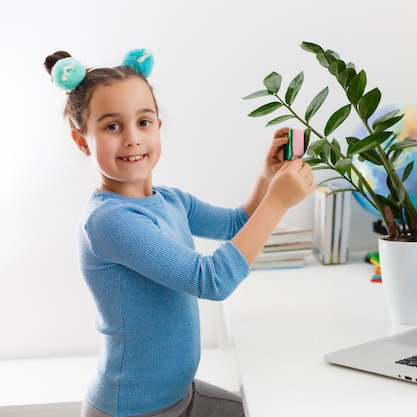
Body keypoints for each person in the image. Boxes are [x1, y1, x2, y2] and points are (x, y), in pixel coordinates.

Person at [43, 48, 315, 417]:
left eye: (144, 122)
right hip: (133, 410)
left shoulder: (170, 200)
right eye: (111, 126)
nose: (132, 138)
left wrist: (267, 181)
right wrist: (278, 203)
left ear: (158, 126)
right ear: (81, 141)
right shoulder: (108, 221)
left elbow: (236, 224)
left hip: (180, 396)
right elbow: (212, 280)